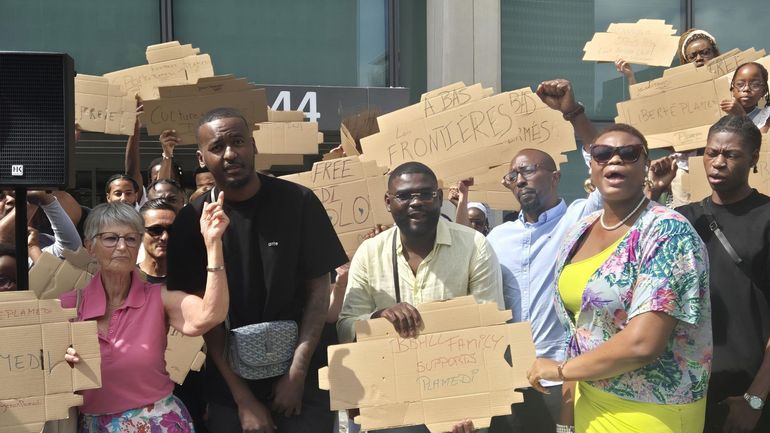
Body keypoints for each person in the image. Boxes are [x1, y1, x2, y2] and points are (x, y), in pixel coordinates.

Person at [166, 107, 348, 433]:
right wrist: (243, 399)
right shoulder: (191, 221)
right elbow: (206, 318)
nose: (230, 153)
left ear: (253, 145)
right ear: (201, 157)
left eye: (238, 142)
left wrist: (296, 373)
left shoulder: (300, 202)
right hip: (231, 387)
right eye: (217, 147)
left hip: (302, 382)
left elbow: (319, 291)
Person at [527, 124, 711, 433]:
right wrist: (566, 419)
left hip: (651, 412)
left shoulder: (668, 232)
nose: (615, 160)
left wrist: (560, 369)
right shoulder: (578, 231)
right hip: (589, 403)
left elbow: (643, 343)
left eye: (628, 154)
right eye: (602, 154)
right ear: (593, 166)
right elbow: (579, 331)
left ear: (646, 167)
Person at [337, 161, 502, 433]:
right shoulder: (369, 252)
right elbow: (344, 327)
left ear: (438, 198)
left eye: (425, 194)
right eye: (404, 195)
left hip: (457, 407)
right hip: (390, 407)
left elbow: (490, 325)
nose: (416, 202)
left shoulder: (474, 246)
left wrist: (471, 403)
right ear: (388, 202)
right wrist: (378, 319)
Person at [483, 78, 601, 433]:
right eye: (513, 175)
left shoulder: (581, 217)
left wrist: (573, 113)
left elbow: (604, 161)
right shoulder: (497, 237)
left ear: (555, 176)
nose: (519, 179)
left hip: (564, 379)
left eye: (528, 170)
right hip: (511, 382)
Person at [60, 197, 230, 433]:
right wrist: (60, 361)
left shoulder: (158, 297)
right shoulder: (67, 306)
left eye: (131, 239)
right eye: (110, 238)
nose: (122, 247)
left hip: (158, 424)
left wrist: (213, 246)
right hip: (95, 425)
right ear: (90, 246)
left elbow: (211, 315)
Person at [670, 115, 770, 433]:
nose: (718, 163)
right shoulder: (682, 219)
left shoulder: (766, 219)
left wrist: (755, 398)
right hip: (683, 393)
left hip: (748, 396)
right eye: (712, 153)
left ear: (754, 157)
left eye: (731, 155)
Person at [720, 62, 770, 133]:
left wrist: (741, 116)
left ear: (764, 91)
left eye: (755, 85)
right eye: (740, 84)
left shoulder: (766, 117)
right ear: (732, 89)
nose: (746, 89)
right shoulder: (721, 113)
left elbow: (762, 142)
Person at [138, 199, 176, 284]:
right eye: (156, 230)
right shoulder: (127, 279)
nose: (165, 237)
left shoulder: (189, 277)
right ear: (140, 232)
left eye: (171, 230)